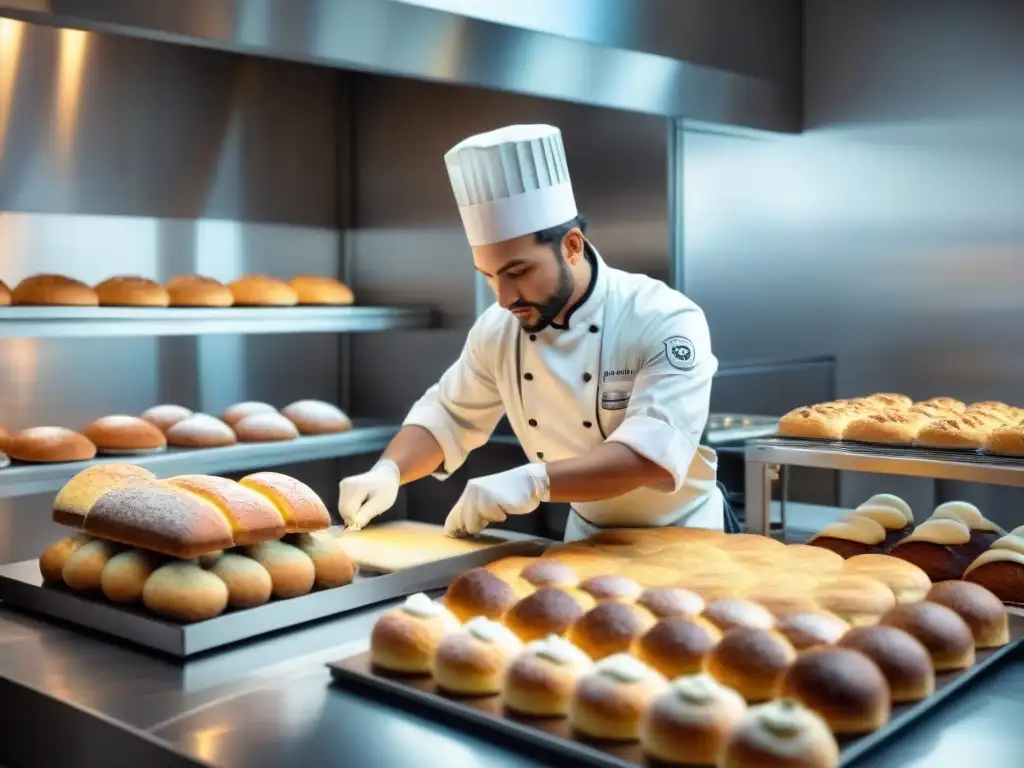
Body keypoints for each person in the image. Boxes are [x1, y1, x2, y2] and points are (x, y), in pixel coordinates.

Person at [338, 124, 722, 542]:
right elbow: (449, 415)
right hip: (586, 537)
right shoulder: (499, 330)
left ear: (572, 246)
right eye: (488, 276)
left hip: (684, 539)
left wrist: (533, 482)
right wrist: (389, 471)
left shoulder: (662, 318)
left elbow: (649, 457)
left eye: (517, 272)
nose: (503, 298)